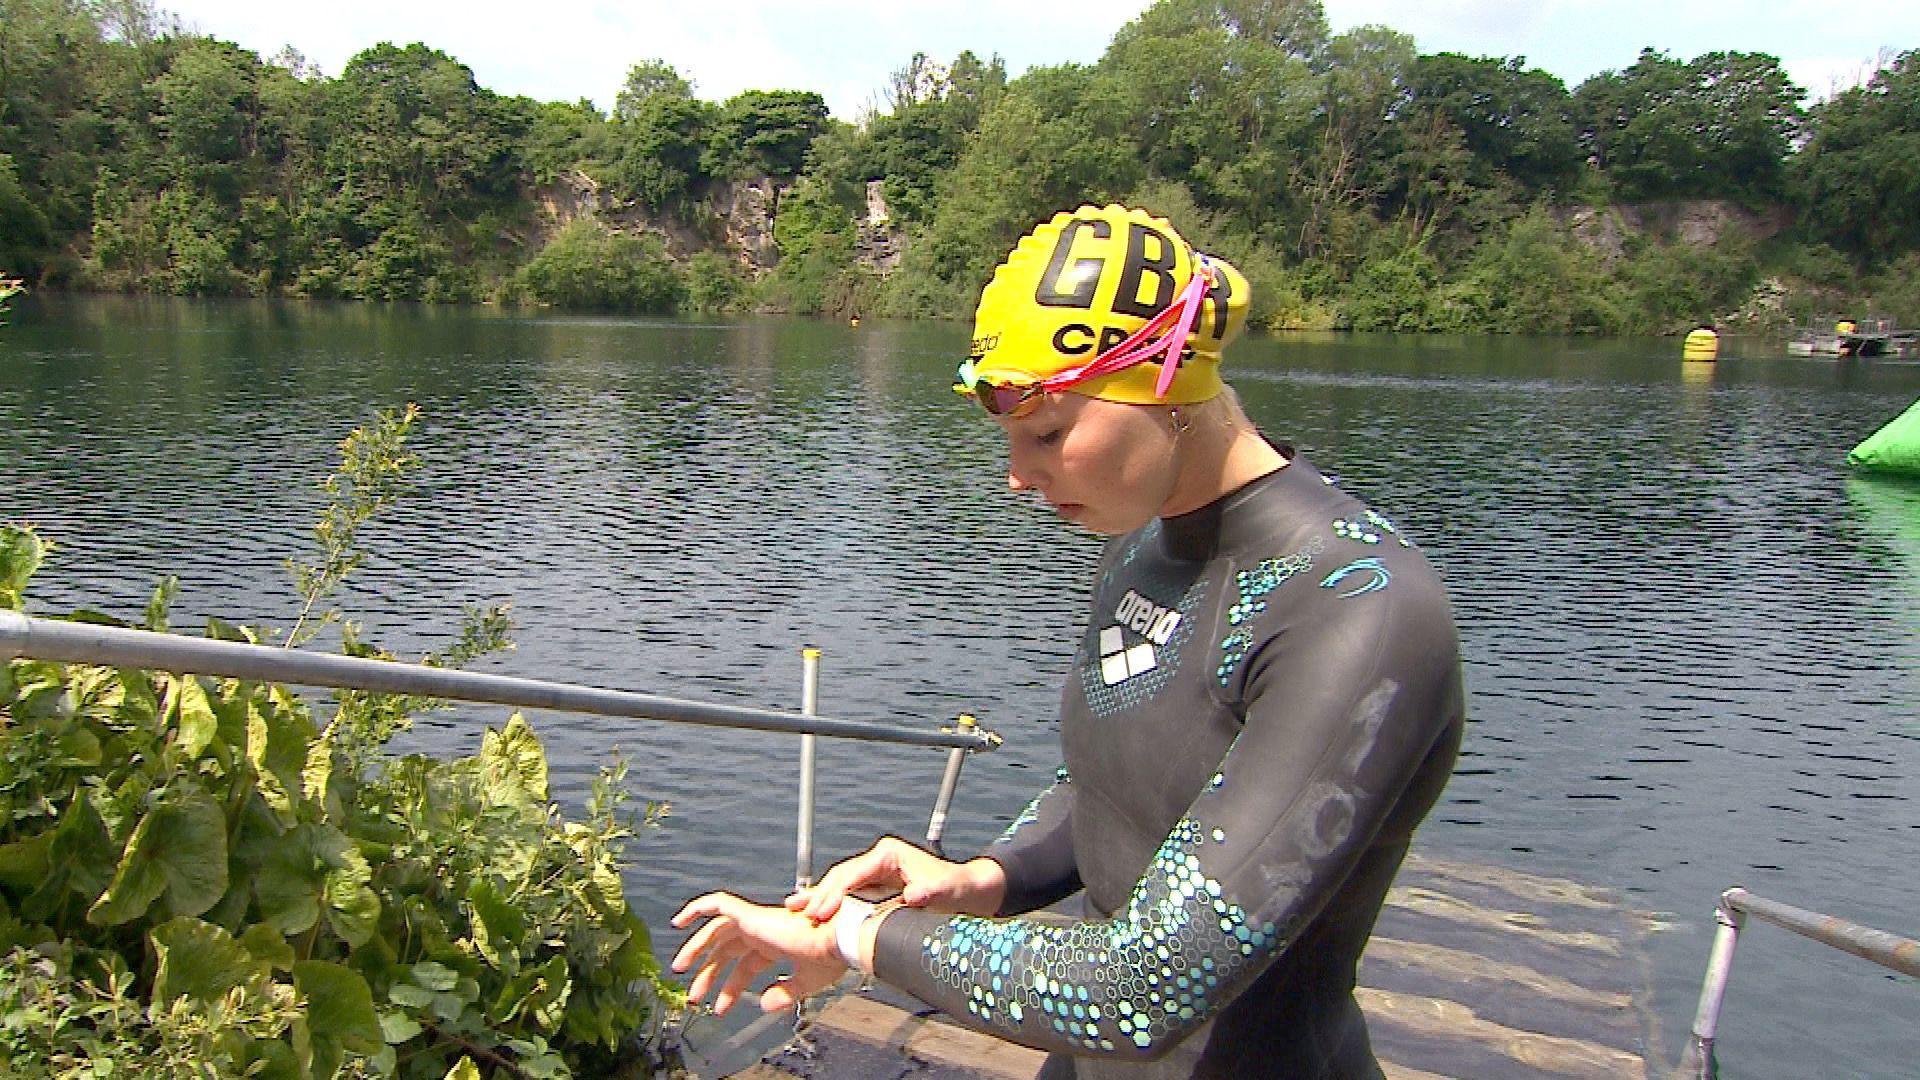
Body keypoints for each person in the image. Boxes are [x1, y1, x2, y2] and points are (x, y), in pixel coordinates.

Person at [673, 204, 1466, 1079]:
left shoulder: (1358, 608)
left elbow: (1140, 988)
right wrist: (986, 878)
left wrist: (862, 935)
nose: (1017, 476)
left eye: (1048, 433)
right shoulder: (1141, 544)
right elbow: (1116, 779)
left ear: (1166, 382)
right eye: (1010, 438)